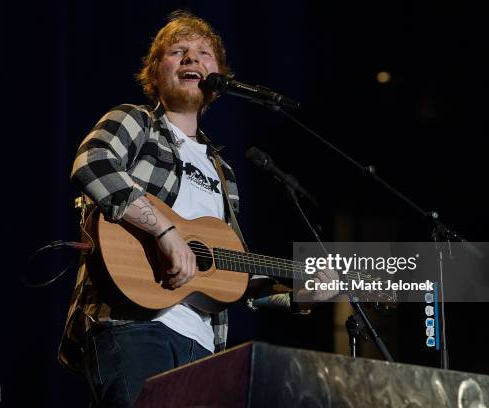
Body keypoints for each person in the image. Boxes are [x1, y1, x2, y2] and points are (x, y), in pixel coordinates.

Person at [58, 10, 335, 407]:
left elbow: (230, 275)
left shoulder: (224, 173)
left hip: (204, 346)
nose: (191, 59)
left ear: (219, 79)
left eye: (204, 53)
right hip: (132, 324)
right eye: (178, 51)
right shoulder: (136, 121)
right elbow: (93, 163)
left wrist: (301, 294)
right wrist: (166, 233)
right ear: (154, 74)